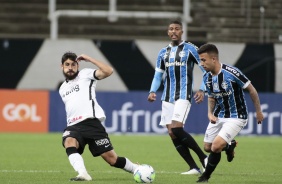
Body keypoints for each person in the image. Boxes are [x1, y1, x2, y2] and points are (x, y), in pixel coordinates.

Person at [59, 52, 139, 181]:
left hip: (91, 123)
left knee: (112, 159)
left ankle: (136, 168)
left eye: (73, 64)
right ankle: (83, 174)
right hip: (74, 125)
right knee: (69, 141)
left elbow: (108, 71)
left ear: (77, 65)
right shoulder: (62, 88)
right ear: (61, 66)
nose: (70, 67)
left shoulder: (85, 74)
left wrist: (90, 59)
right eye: (67, 64)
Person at [196, 43, 264, 182]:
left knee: (215, 146)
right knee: (207, 147)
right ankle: (229, 145)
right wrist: (210, 113)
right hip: (219, 115)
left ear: (213, 59)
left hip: (237, 116)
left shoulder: (232, 72)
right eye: (200, 60)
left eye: (203, 60)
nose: (201, 63)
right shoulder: (207, 77)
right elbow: (211, 96)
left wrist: (258, 111)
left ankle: (205, 176)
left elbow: (251, 89)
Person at [147, 20, 208, 175]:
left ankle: (203, 158)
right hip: (167, 96)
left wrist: (202, 89)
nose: (173, 31)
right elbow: (158, 75)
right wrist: (152, 91)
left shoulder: (191, 49)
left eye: (177, 29)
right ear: (168, 32)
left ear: (182, 32)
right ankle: (193, 167)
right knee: (172, 132)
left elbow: (206, 70)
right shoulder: (163, 52)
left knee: (176, 128)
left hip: (183, 94)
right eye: (171, 29)